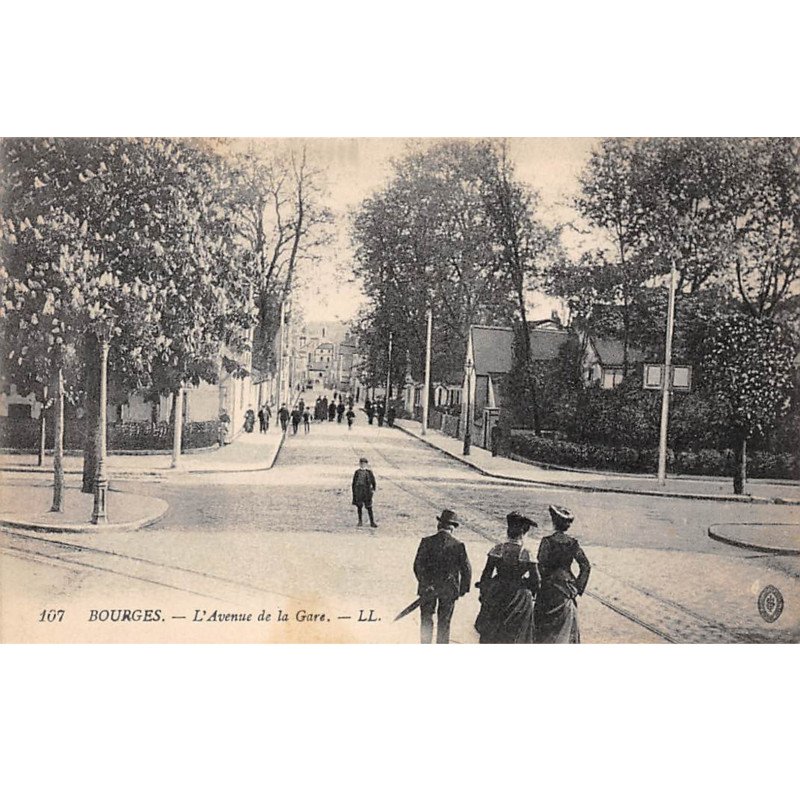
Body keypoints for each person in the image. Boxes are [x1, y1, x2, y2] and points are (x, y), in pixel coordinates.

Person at [474, 512, 540, 643]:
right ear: (523, 533)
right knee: (516, 635)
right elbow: (536, 581)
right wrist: (528, 588)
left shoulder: (497, 549)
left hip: (496, 592)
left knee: (492, 632)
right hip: (519, 596)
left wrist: (484, 593)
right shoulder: (527, 553)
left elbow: (486, 575)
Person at [533, 505, 591, 644]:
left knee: (543, 630)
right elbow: (586, 566)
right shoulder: (573, 543)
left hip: (549, 589)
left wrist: (537, 586)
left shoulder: (547, 542)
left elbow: (540, 565)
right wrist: (578, 587)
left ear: (553, 522)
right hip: (567, 589)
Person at [413, 510, 472, 644]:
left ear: (439, 525)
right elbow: (467, 570)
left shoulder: (426, 541)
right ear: (452, 528)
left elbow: (417, 566)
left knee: (426, 619)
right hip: (449, 589)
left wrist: (426, 583)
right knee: (444, 621)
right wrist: (463, 589)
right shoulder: (458, 545)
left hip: (428, 588)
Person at [351, 457, 377, 528]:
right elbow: (354, 483)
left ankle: (372, 522)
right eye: (361, 464)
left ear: (366, 464)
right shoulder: (357, 472)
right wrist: (354, 492)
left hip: (367, 492)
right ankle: (360, 521)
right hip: (359, 491)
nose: (362, 465)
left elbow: (373, 482)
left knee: (369, 507)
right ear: (359, 464)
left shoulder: (369, 472)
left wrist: (373, 489)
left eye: (364, 464)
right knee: (359, 507)